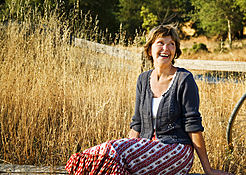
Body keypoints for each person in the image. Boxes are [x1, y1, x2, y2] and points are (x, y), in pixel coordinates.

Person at [65, 25, 232, 175]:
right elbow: (137, 123)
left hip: (177, 151)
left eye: (171, 43)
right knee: (92, 157)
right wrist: (130, 147)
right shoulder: (143, 79)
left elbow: (193, 125)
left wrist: (208, 169)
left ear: (175, 51)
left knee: (113, 149)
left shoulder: (184, 79)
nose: (166, 48)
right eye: (160, 42)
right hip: (145, 148)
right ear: (150, 49)